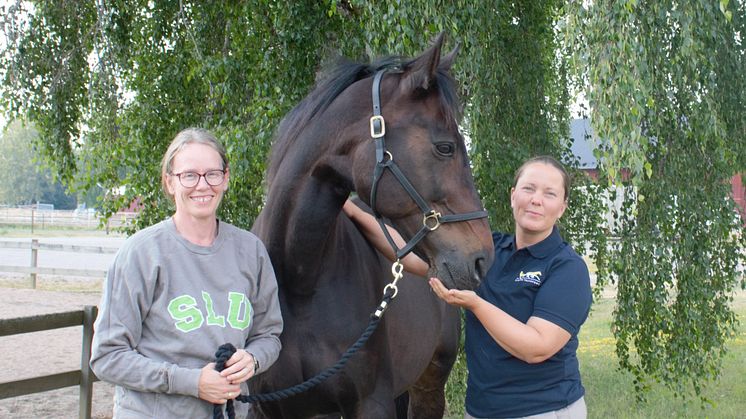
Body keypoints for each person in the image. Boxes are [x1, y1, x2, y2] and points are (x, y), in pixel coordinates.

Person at [343, 155, 592, 419]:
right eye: (528, 188)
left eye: (550, 193)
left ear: (562, 207)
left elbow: (537, 347)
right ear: (513, 195)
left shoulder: (566, 268)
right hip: (480, 411)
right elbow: (408, 256)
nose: (536, 200)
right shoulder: (490, 251)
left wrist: (475, 303)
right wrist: (353, 212)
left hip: (543, 411)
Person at [91, 127, 283, 418]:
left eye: (212, 174)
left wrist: (253, 359)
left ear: (226, 178)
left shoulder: (251, 251)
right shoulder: (141, 254)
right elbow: (108, 357)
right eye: (189, 175)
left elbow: (269, 335)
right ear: (169, 182)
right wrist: (192, 383)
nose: (202, 185)